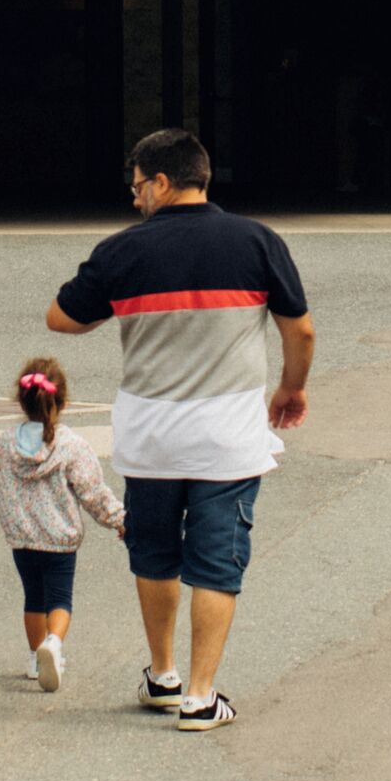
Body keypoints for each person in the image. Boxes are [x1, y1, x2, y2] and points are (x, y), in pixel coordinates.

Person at [46, 127, 312, 732]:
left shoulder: (122, 252)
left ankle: (162, 676)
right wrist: (291, 388)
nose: (134, 199)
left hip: (150, 440)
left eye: (138, 187)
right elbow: (301, 331)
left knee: (155, 555)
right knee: (217, 564)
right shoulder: (257, 241)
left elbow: (61, 318)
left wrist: (120, 297)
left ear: (162, 182)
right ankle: (200, 695)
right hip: (228, 442)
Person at [0, 353, 125, 692]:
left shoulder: (8, 442)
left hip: (22, 537)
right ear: (63, 401)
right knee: (59, 599)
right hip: (60, 539)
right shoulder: (70, 445)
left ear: (21, 401)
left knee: (33, 597)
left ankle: (32, 659)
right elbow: (92, 491)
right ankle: (53, 644)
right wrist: (119, 520)